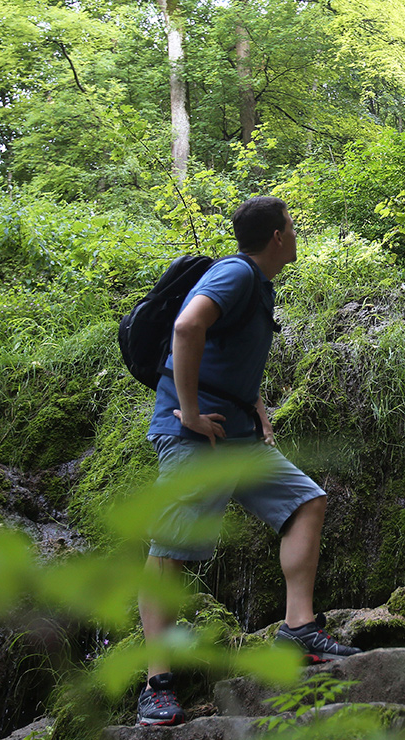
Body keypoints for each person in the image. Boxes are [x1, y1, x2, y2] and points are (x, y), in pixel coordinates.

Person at [136, 196, 361, 727]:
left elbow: (226, 354)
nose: (296, 232)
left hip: (237, 436)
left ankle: (298, 628)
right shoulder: (236, 273)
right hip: (196, 437)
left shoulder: (258, 286)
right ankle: (157, 682)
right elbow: (188, 328)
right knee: (170, 550)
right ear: (278, 236)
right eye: (293, 224)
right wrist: (188, 413)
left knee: (307, 501)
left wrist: (256, 407)